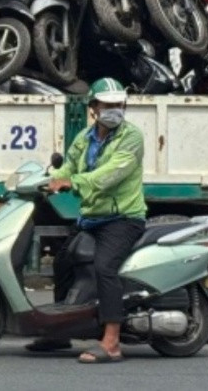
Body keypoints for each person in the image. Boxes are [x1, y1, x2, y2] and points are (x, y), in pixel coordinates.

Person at [27, 77, 146, 364]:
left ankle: (112, 341)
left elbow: (109, 175)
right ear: (93, 107)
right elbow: (67, 166)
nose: (114, 110)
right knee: (62, 261)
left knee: (105, 268)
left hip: (123, 219)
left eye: (119, 105)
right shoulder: (85, 138)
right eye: (108, 105)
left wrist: (71, 182)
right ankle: (60, 332)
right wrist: (43, 181)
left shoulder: (131, 137)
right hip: (92, 219)